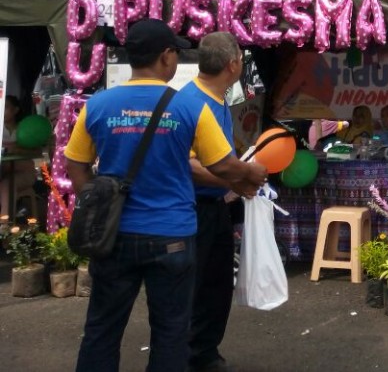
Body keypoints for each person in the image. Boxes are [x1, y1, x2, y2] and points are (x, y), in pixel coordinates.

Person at [65, 19, 267, 372]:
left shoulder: (98, 105)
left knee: (102, 328)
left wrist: (97, 206)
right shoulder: (189, 107)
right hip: (172, 234)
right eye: (175, 52)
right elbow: (223, 165)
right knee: (171, 332)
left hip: (114, 235)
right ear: (166, 56)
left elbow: (75, 164)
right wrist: (252, 173)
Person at [184, 33, 259, 372]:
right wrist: (237, 180)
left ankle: (205, 352)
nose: (241, 63)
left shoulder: (219, 99)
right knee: (193, 288)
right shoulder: (191, 102)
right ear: (232, 65)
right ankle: (183, 355)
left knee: (216, 286)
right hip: (191, 210)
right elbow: (190, 166)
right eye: (241, 58)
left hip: (216, 208)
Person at [1, 96, 41, 217]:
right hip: (3, 171)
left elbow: (37, 151)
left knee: (7, 185)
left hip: (25, 173)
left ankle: (5, 222)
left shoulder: (24, 129)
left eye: (6, 107)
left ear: (15, 110)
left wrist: (17, 148)